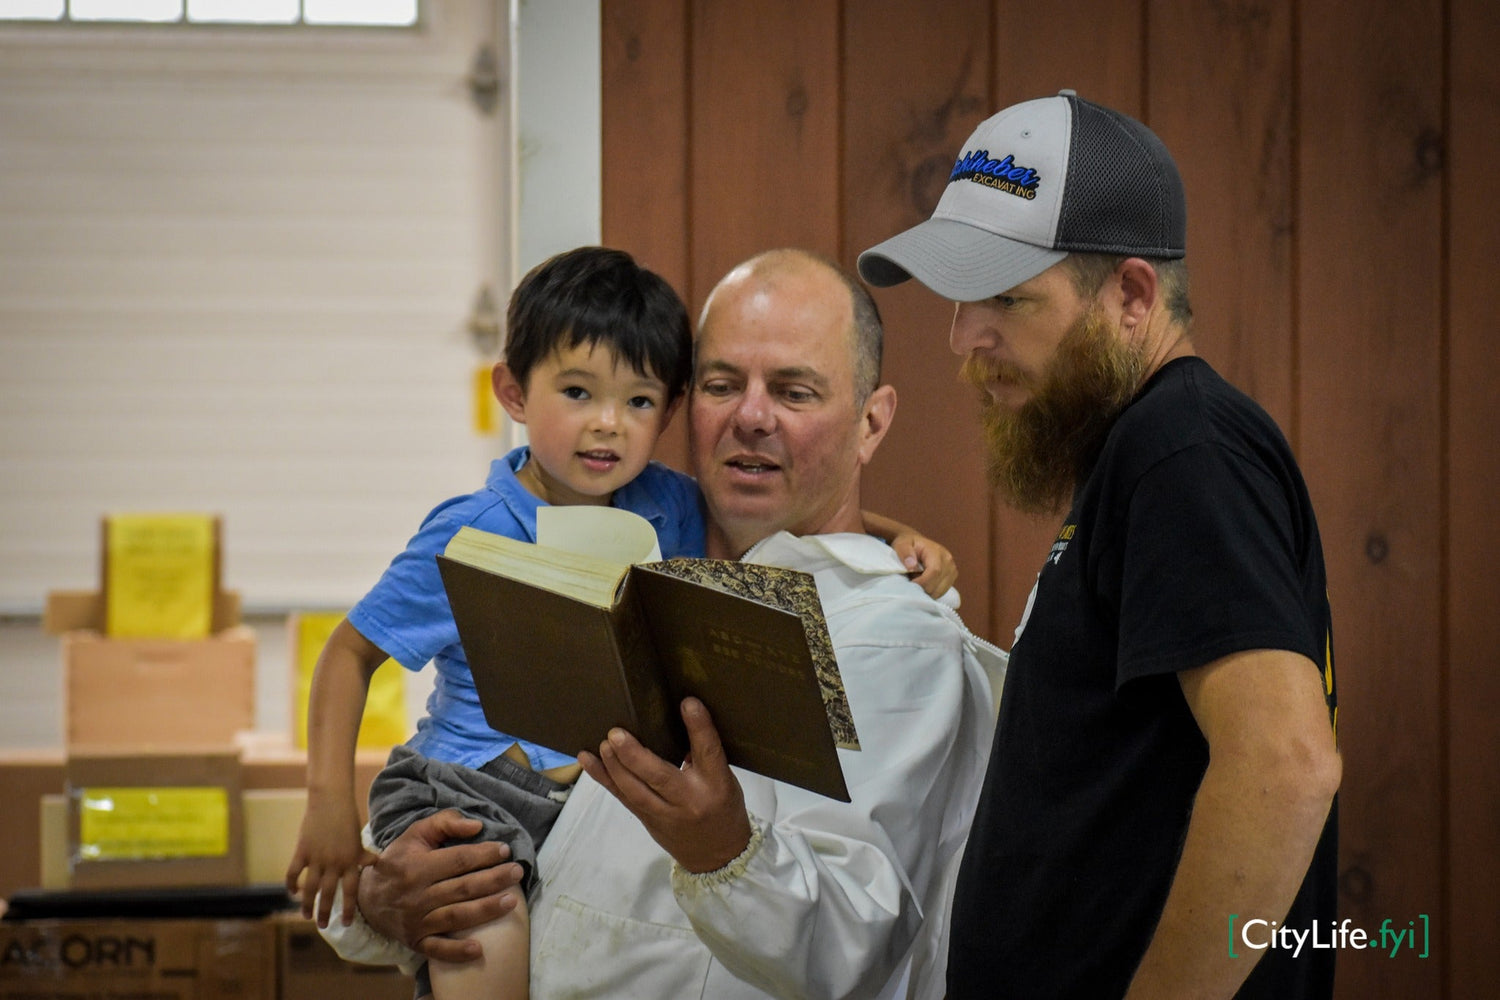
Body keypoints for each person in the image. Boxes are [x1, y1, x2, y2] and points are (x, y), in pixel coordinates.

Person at [319, 248, 1004, 999]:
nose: (750, 415)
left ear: (870, 424)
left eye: (794, 390)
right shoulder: (634, 554)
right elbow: (477, 804)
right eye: (721, 385)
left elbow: (860, 947)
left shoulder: (897, 639)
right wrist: (382, 900)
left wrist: (725, 852)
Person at [856, 91, 1342, 999]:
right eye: (960, 301)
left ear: (1130, 294)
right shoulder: (1145, 454)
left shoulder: (1183, 447)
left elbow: (1285, 762)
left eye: (1006, 298)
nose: (966, 340)